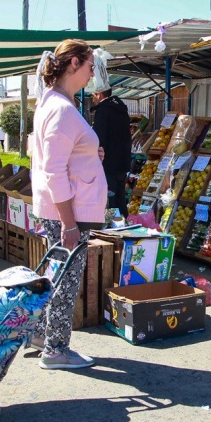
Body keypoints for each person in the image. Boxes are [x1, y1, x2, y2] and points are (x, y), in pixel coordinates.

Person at [30, 39, 107, 370]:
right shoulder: (61, 110)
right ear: (74, 63)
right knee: (65, 280)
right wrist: (69, 224)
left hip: (65, 209)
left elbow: (59, 155)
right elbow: (54, 171)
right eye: (91, 66)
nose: (92, 74)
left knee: (57, 275)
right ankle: (55, 350)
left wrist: (92, 154)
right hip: (68, 212)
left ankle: (40, 333)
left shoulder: (57, 103)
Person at [90, 88, 132, 218]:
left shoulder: (103, 111)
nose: (93, 99)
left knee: (110, 202)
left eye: (93, 96)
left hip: (108, 164)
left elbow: (99, 140)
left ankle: (113, 233)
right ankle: (124, 228)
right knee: (120, 200)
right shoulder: (122, 110)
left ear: (99, 94)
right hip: (122, 163)